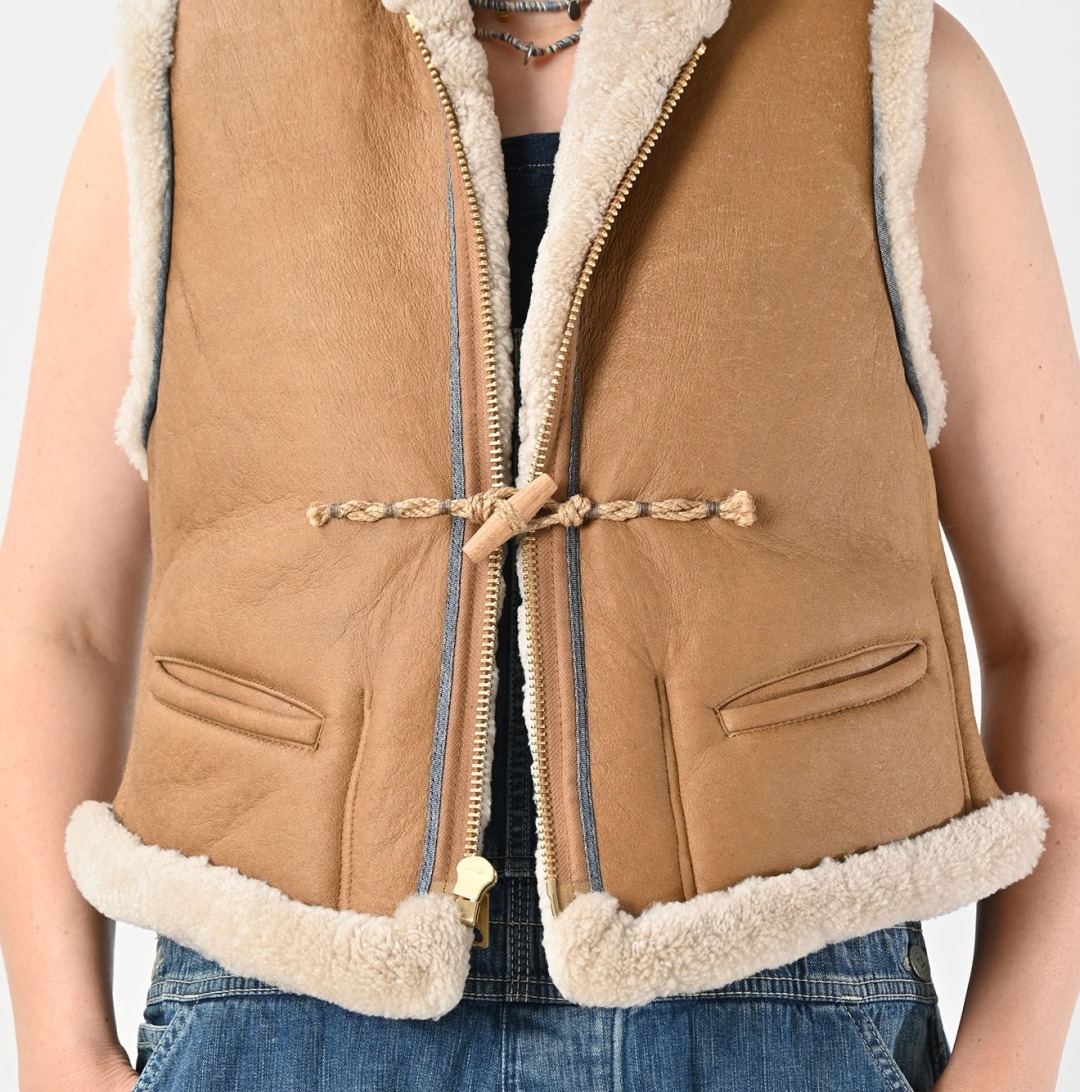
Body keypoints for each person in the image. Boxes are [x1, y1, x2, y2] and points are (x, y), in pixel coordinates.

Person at [1, 0, 1077, 1089]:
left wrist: (1013, 1061)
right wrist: (58, 1047)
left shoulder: (882, 48)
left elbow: (1054, 624)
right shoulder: (192, 61)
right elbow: (61, 622)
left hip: (777, 985)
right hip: (282, 993)